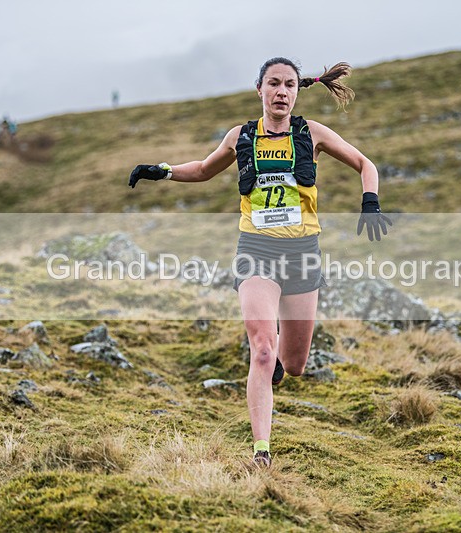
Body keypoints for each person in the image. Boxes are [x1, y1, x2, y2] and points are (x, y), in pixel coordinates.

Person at [128, 57, 391, 467]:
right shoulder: (241, 137)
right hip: (256, 251)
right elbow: (203, 169)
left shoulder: (311, 133)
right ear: (260, 89)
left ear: (297, 91)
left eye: (289, 84)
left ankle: (278, 359)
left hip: (302, 254)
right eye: (273, 83)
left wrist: (370, 201)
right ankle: (261, 451)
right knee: (263, 351)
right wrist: (162, 171)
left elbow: (365, 164)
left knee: (295, 364)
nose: (281, 91)